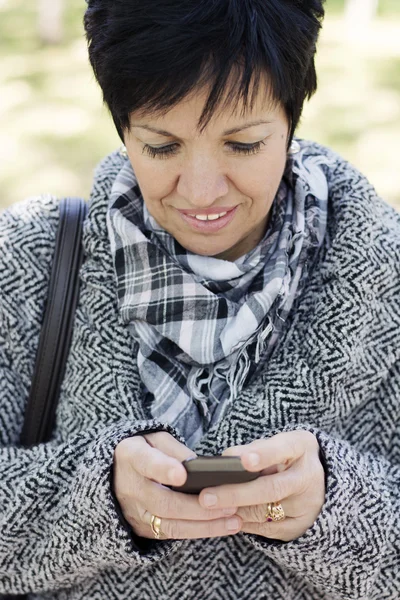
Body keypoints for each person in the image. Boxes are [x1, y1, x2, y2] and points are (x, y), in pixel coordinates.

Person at [0, 0, 399, 598]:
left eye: (243, 145)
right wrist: (94, 497)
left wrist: (337, 506)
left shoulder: (383, 273)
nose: (203, 192)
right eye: (162, 147)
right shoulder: (30, 259)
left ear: (291, 119)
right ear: (122, 127)